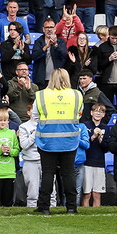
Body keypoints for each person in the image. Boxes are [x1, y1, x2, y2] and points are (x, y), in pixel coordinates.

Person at [31, 69, 82, 215]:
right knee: (68, 173)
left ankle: (44, 207)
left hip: (47, 141)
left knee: (48, 173)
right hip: (69, 140)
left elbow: (35, 115)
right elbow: (79, 113)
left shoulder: (41, 95)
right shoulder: (76, 95)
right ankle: (71, 207)